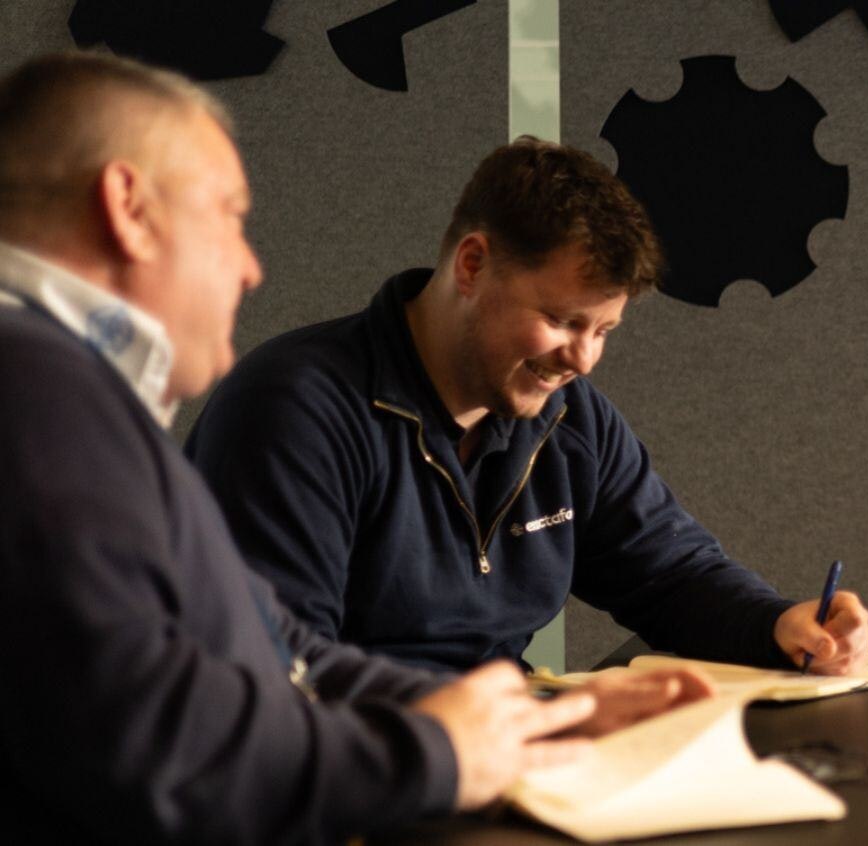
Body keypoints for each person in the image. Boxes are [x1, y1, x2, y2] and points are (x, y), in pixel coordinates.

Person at [0, 51, 714, 843]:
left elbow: (277, 651)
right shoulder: (37, 399)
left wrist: (526, 723)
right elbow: (164, 750)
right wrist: (437, 753)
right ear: (128, 208)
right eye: (230, 216)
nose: (248, 266)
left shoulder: (73, 396)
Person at [185, 136, 868, 674]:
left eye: (603, 331)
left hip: (491, 761)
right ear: (473, 264)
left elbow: (670, 576)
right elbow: (275, 669)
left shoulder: (569, 417)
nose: (581, 360)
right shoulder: (294, 410)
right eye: (563, 320)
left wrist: (777, 623)